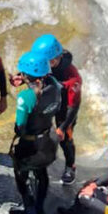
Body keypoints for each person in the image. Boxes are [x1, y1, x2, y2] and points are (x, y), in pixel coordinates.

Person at [6, 51, 63, 214]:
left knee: (20, 174)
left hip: (31, 145)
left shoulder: (26, 97)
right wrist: (25, 79)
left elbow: (20, 126)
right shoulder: (54, 85)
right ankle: (40, 207)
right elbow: (40, 86)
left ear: (26, 75)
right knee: (41, 172)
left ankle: (31, 213)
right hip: (48, 140)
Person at [31, 34, 82, 185]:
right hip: (49, 100)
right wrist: (22, 77)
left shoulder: (72, 78)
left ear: (53, 61)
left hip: (64, 108)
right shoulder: (46, 63)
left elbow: (74, 107)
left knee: (65, 139)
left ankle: (70, 166)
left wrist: (62, 127)